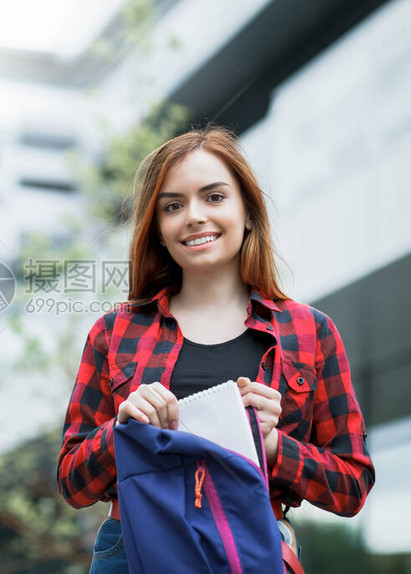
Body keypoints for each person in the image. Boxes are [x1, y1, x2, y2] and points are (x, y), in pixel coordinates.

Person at [57, 126, 375, 573]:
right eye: (173, 205)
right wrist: (121, 430)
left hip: (253, 546)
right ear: (159, 232)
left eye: (214, 197)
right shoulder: (115, 331)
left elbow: (352, 487)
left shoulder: (309, 331)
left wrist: (270, 445)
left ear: (248, 213)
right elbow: (73, 484)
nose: (193, 216)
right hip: (134, 548)